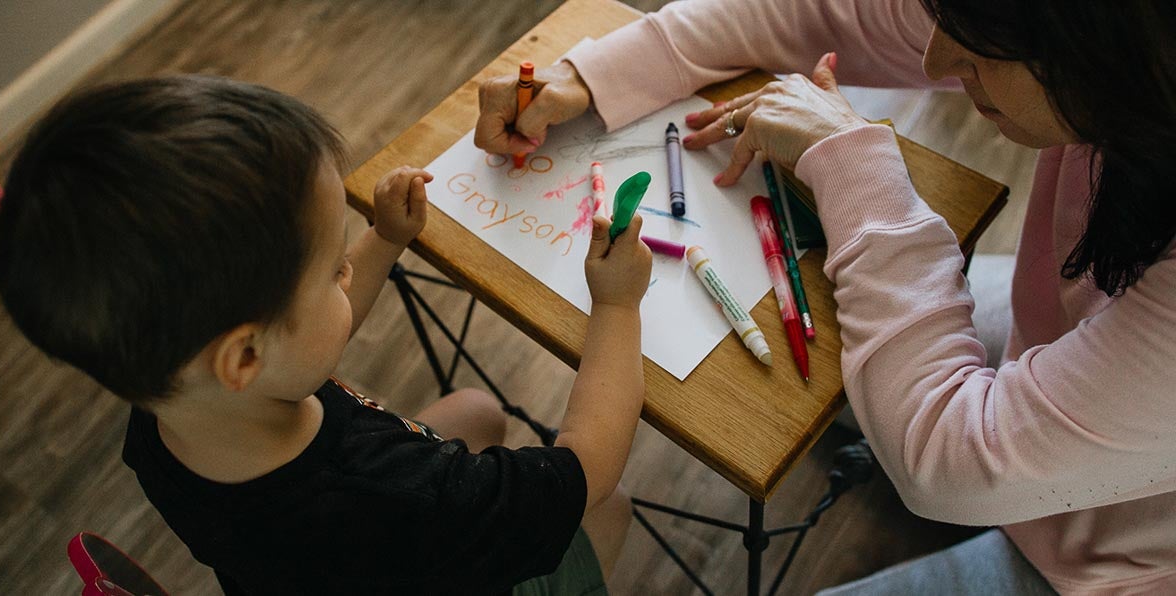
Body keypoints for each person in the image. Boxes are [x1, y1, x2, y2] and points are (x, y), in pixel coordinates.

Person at [474, 0, 1176, 593]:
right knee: (847, 381)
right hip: (1063, 342)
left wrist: (857, 163)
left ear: (1108, 50)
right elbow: (817, 12)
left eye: (981, 54)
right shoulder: (1110, 48)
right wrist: (584, 77)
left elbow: (948, 461)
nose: (935, 64)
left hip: (1124, 557)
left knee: (882, 404)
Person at [0, 75, 653, 594]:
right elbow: (586, 470)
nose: (348, 272)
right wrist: (618, 306)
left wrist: (384, 240)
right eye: (335, 269)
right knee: (613, 507)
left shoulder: (168, 408)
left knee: (477, 410)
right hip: (434, 562)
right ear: (243, 355)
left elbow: (297, 342)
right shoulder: (401, 499)